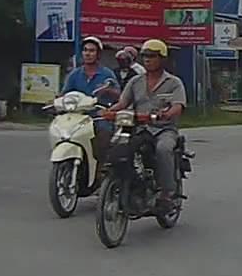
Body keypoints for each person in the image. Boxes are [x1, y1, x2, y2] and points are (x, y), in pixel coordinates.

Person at [110, 39, 186, 213]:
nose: (147, 59)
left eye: (152, 56)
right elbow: (122, 103)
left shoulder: (174, 82)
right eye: (144, 56)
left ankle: (167, 193)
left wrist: (167, 113)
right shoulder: (135, 81)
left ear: (162, 59)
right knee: (119, 147)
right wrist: (107, 112)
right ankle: (127, 183)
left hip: (164, 129)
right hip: (139, 128)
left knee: (163, 149)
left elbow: (178, 106)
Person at [61, 36, 120, 156]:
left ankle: (100, 163)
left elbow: (119, 95)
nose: (88, 54)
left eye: (92, 51)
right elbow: (64, 94)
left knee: (103, 131)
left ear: (98, 54)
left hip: (99, 115)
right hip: (77, 115)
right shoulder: (75, 74)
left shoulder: (107, 73)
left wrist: (108, 90)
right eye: (85, 50)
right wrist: (55, 102)